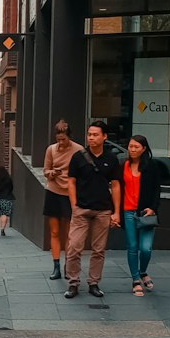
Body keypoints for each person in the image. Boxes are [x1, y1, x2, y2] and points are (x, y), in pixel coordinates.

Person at [64, 120, 122, 299]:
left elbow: (116, 185)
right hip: (81, 209)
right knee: (74, 247)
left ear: (104, 137)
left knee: (99, 250)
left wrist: (116, 212)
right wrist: (74, 205)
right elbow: (71, 182)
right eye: (89, 134)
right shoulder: (78, 156)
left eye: (95, 134)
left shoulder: (111, 158)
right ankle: (73, 283)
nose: (91, 138)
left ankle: (94, 283)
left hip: (103, 210)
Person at [121, 134, 161, 295]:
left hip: (145, 212)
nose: (132, 149)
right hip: (128, 211)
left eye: (136, 147)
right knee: (132, 247)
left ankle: (143, 271)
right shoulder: (123, 165)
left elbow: (157, 190)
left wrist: (153, 208)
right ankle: (135, 279)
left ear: (144, 149)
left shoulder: (151, 166)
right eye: (130, 146)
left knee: (146, 248)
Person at [42, 120, 81, 281]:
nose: (61, 142)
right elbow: (45, 170)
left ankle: (68, 265)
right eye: (58, 139)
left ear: (69, 137)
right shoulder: (51, 149)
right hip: (53, 191)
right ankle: (56, 265)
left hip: (70, 193)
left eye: (63, 139)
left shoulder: (78, 150)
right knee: (54, 231)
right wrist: (51, 173)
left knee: (69, 234)